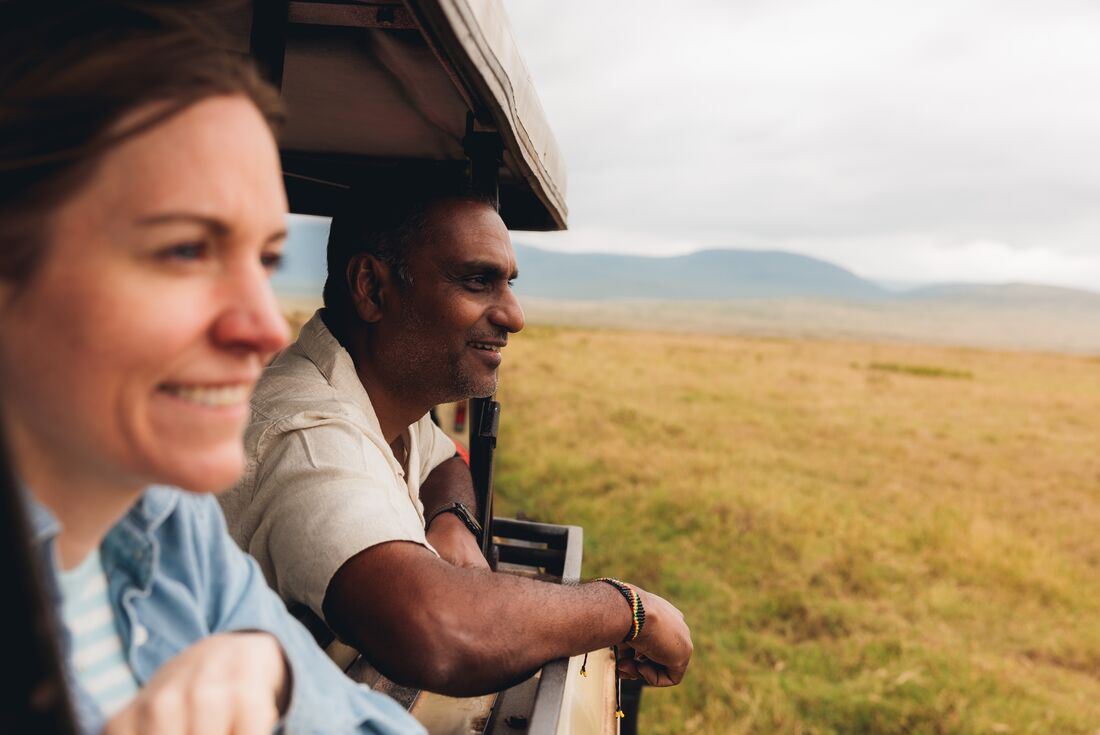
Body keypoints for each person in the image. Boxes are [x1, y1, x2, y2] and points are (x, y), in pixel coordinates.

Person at [0, 4, 425, 734]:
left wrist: (277, 674)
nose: (264, 329)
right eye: (186, 250)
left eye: (264, 260)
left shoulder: (166, 521)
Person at [219, 182, 694, 697]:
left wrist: (451, 521)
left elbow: (442, 460)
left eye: (508, 283)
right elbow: (438, 632)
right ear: (372, 288)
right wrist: (627, 609)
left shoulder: (375, 392)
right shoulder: (308, 436)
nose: (514, 315)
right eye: (477, 281)